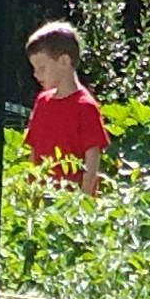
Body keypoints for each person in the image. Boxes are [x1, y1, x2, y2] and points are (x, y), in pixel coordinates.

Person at [24, 18, 109, 182]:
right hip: (41, 202)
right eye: (34, 68)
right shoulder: (42, 102)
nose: (35, 75)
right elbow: (33, 154)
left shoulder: (85, 107)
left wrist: (83, 204)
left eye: (41, 68)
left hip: (70, 204)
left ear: (64, 61)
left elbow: (92, 164)